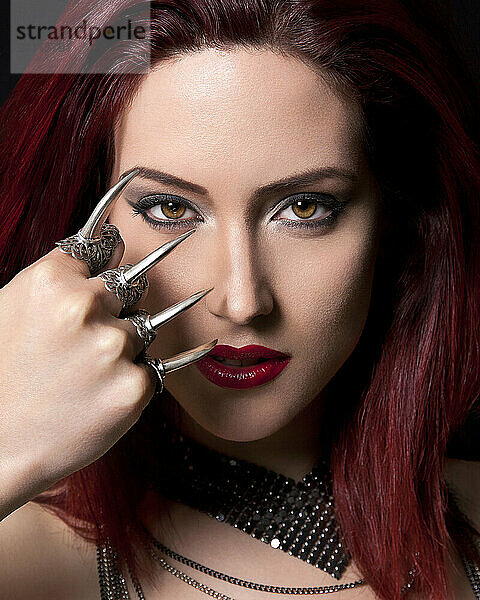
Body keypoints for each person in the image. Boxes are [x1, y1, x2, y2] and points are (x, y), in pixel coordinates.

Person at [0, 0, 479, 598]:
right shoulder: (18, 550)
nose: (241, 300)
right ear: (85, 220)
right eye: (170, 208)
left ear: (396, 222)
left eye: (306, 208)